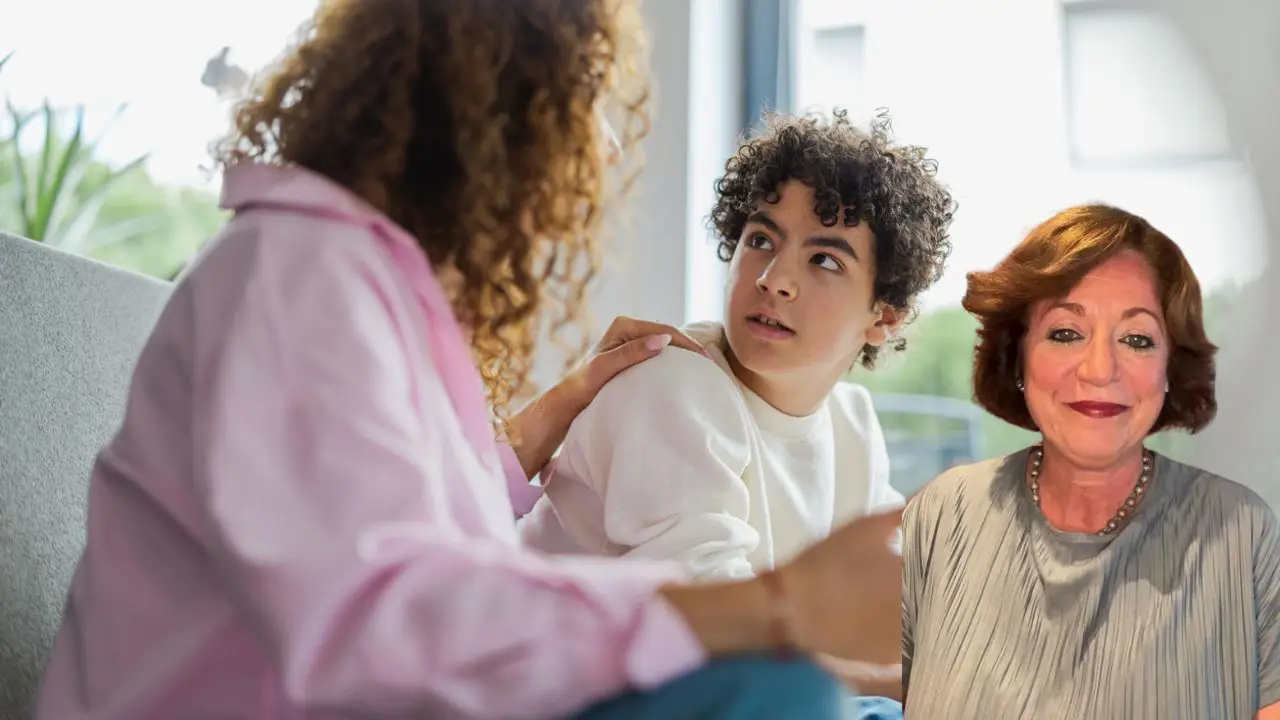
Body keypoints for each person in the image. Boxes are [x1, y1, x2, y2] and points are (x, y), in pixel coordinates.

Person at [33, 2, 906, 719]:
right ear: (492, 117)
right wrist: (770, 610)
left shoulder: (374, 293)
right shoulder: (296, 274)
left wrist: (558, 409)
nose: (602, 150)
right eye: (585, 106)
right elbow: (371, 618)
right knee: (774, 693)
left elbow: (398, 530)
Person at [518, 110, 955, 703]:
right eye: (760, 241)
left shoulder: (852, 422)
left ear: (885, 316)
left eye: (824, 260)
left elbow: (884, 614)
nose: (775, 279)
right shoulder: (672, 384)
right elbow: (719, 642)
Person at [901, 204, 1280, 719]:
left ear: (1171, 368)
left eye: (1137, 340)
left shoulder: (1240, 531)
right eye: (1065, 333)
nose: (1100, 369)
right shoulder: (942, 515)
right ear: (1018, 356)